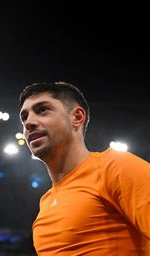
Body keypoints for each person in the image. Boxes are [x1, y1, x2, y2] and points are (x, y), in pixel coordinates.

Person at [19, 81, 150, 255]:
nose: (29, 122)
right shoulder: (46, 203)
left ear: (77, 117)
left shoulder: (115, 167)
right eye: (24, 117)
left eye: (42, 110)